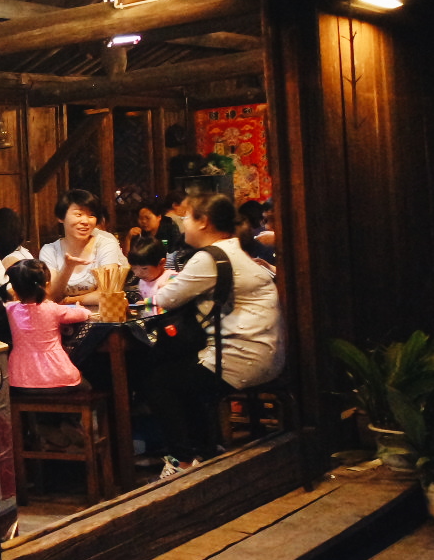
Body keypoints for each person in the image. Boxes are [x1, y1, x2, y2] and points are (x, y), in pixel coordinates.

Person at [141, 192, 284, 470]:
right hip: (268, 356)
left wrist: (139, 300)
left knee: (156, 380)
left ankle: (182, 460)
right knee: (178, 371)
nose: (183, 223)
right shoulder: (234, 250)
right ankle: (204, 450)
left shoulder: (210, 257)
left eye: (186, 217)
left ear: (203, 222)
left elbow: (164, 298)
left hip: (240, 359)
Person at [3, 258, 92, 389]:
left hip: (20, 379)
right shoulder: (53, 309)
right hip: (57, 375)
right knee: (87, 386)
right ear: (47, 285)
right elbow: (83, 314)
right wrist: (81, 308)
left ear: (14, 289)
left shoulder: (10, 310)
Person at [40, 189, 127, 306]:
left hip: (101, 315)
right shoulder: (50, 251)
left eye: (91, 215)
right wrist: (68, 267)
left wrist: (69, 300)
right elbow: (51, 296)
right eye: (78, 214)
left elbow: (108, 293)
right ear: (61, 217)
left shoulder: (105, 245)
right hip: (61, 316)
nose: (85, 221)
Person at [127, 238, 172, 310]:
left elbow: (171, 299)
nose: (138, 273)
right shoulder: (143, 280)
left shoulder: (171, 278)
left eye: (144, 268)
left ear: (162, 263)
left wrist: (147, 302)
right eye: (134, 268)